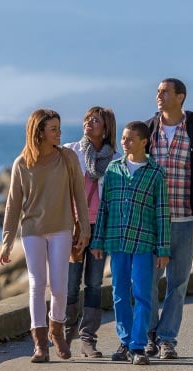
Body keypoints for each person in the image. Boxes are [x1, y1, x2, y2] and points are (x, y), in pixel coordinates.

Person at [0, 108, 91, 363]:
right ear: (39, 131)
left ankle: (57, 331)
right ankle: (40, 344)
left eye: (59, 128)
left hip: (62, 228)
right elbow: (13, 205)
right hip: (32, 231)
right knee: (37, 285)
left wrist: (84, 227)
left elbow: (79, 196)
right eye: (54, 129)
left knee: (59, 286)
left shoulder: (68, 158)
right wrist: (7, 242)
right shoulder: (22, 163)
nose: (59, 133)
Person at [145, 78, 193, 359]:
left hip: (187, 221)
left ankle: (167, 339)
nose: (158, 96)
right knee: (148, 281)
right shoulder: (149, 129)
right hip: (153, 222)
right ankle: (149, 335)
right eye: (157, 92)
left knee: (178, 283)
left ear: (181, 97)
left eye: (164, 92)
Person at [90, 121, 171, 366]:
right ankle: (125, 342)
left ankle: (138, 346)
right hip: (116, 242)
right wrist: (97, 240)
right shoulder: (113, 170)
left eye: (129, 139)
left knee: (144, 294)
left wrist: (163, 249)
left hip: (144, 243)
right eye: (123, 138)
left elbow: (162, 214)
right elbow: (103, 208)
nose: (124, 142)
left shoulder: (155, 173)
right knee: (119, 294)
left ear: (143, 142)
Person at [62, 106, 119, 358]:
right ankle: (65, 334)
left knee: (94, 284)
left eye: (95, 120)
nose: (88, 123)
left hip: (101, 228)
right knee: (71, 283)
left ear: (106, 128)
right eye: (87, 118)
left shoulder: (116, 159)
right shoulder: (70, 151)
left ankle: (88, 339)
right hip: (75, 225)